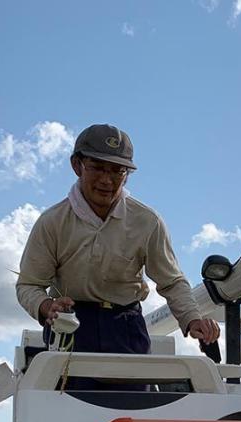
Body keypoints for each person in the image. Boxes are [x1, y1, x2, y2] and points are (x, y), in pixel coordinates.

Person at [16, 123, 220, 355]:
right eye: (97, 168)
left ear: (127, 175)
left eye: (117, 171)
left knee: (133, 393)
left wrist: (193, 320)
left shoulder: (148, 221)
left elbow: (171, 282)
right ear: (77, 165)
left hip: (127, 328)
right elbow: (29, 284)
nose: (107, 180)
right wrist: (46, 306)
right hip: (69, 328)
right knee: (68, 393)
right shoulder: (52, 222)